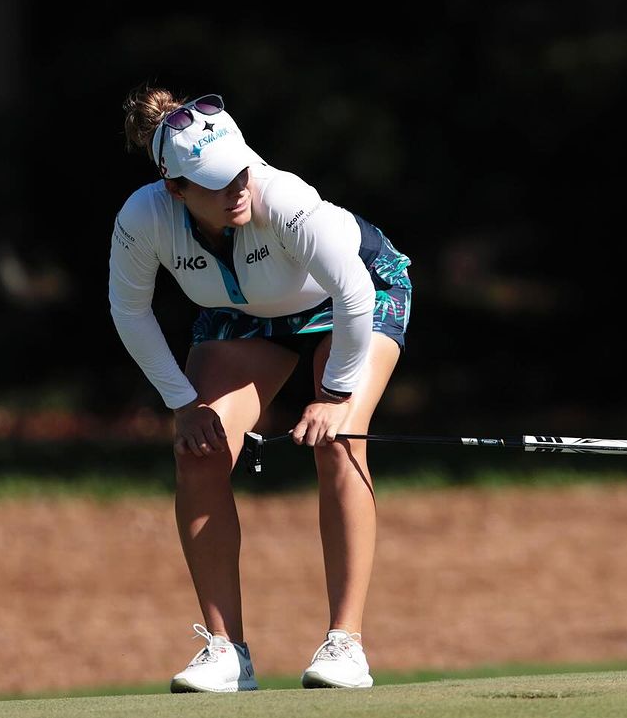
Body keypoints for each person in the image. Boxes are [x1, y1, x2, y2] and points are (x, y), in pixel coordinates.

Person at [110, 85, 411, 693]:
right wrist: (183, 404)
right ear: (177, 190)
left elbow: (353, 294)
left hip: (356, 293)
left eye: (240, 170)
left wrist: (332, 395)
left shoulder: (287, 199)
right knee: (198, 453)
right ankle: (227, 651)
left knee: (339, 440)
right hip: (242, 313)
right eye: (218, 183)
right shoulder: (144, 219)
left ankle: (345, 644)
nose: (238, 187)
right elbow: (130, 311)